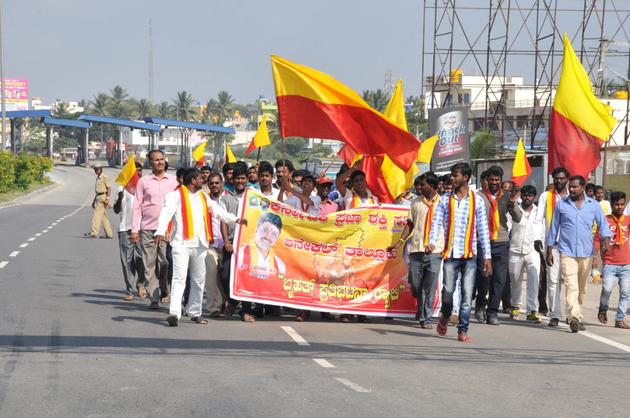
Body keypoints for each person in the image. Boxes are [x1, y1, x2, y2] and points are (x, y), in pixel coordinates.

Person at [156, 168, 245, 327]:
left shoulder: (203, 196)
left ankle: (195, 313)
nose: (203, 180)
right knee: (179, 278)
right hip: (181, 244)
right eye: (199, 178)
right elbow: (166, 213)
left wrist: (235, 219)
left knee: (198, 280)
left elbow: (217, 211)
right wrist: (160, 231)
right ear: (192, 181)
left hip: (200, 244)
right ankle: (174, 313)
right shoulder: (175, 196)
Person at [427, 162, 492, 342]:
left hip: (470, 255)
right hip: (450, 255)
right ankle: (445, 315)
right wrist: (432, 241)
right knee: (448, 293)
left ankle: (462, 330)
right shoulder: (445, 200)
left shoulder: (476, 200)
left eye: (456, 176)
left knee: (466, 294)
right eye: (452, 175)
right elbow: (436, 222)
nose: (452, 179)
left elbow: (483, 230)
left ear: (466, 178)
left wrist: (487, 257)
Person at [546, 175, 612, 333]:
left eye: (575, 187)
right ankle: (573, 317)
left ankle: (578, 315)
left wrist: (606, 238)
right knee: (571, 285)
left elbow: (603, 225)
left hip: (586, 252)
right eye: (571, 186)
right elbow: (554, 228)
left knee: (582, 289)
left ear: (583, 187)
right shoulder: (562, 205)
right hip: (566, 251)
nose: (572, 189)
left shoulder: (594, 205)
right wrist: (549, 248)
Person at [389, 172, 443, 329]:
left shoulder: (444, 203)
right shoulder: (415, 203)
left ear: (432, 186)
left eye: (422, 184)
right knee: (415, 282)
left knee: (430, 285)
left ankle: (426, 317)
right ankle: (420, 304)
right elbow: (410, 224)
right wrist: (400, 241)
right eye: (418, 185)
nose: (418, 187)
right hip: (416, 249)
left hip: (435, 250)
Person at [131, 149, 179, 309]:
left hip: (167, 229)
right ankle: (154, 297)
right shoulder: (144, 181)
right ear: (150, 163)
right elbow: (137, 206)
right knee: (149, 263)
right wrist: (134, 230)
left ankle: (164, 289)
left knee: (164, 261)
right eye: (156, 160)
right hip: (147, 229)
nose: (160, 162)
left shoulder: (174, 181)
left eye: (162, 159)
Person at [476, 165, 521, 325]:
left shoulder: (507, 196)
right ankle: (480, 305)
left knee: (500, 279)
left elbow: (518, 218)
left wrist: (512, 204)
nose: (494, 182)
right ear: (486, 180)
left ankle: (492, 312)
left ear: (501, 181)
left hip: (501, 242)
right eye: (491, 179)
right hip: (482, 241)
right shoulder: (478, 196)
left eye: (497, 180)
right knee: (483, 278)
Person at [534, 167, 570, 327]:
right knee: (553, 280)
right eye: (556, 178)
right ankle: (555, 314)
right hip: (552, 247)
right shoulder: (546, 196)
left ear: (567, 179)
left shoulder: (574, 196)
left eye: (562, 178)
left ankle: (572, 314)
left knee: (570, 281)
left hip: (571, 247)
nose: (559, 181)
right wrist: (537, 238)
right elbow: (538, 218)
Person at [508, 185, 543, 322]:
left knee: (533, 280)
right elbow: (508, 226)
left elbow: (542, 229)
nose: (527, 198)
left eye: (530, 195)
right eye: (525, 195)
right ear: (521, 196)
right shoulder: (514, 209)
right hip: (515, 249)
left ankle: (532, 310)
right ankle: (515, 306)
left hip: (532, 250)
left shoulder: (538, 211)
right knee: (515, 280)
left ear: (534, 197)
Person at [113, 161, 146, 300]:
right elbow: (116, 210)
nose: (137, 173)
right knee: (127, 261)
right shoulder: (121, 188)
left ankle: (141, 283)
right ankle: (130, 290)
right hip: (125, 228)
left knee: (142, 259)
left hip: (142, 229)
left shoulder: (145, 187)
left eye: (139, 170)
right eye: (134, 170)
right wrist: (120, 198)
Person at [597, 191, 630, 329]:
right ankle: (603, 308)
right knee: (607, 288)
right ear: (612, 205)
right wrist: (595, 258)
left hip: (626, 263)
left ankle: (620, 319)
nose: (620, 207)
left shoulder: (628, 220)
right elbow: (597, 239)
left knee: (626, 292)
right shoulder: (605, 220)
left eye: (622, 204)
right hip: (610, 262)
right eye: (617, 204)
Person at [204, 171, 232, 317]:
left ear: (222, 183)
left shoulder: (230, 199)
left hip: (228, 244)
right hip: (210, 243)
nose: (214, 185)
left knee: (226, 276)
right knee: (211, 274)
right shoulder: (204, 200)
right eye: (211, 183)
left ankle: (227, 302)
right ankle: (213, 307)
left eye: (217, 183)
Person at [85, 166, 113, 239]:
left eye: (97, 169)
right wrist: (93, 201)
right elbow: (97, 191)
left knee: (96, 215)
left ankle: (94, 232)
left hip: (103, 198)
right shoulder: (98, 178)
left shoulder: (104, 177)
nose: (96, 171)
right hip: (98, 197)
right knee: (103, 217)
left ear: (100, 169)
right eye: (95, 169)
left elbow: (109, 188)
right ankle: (109, 234)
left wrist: (108, 198)